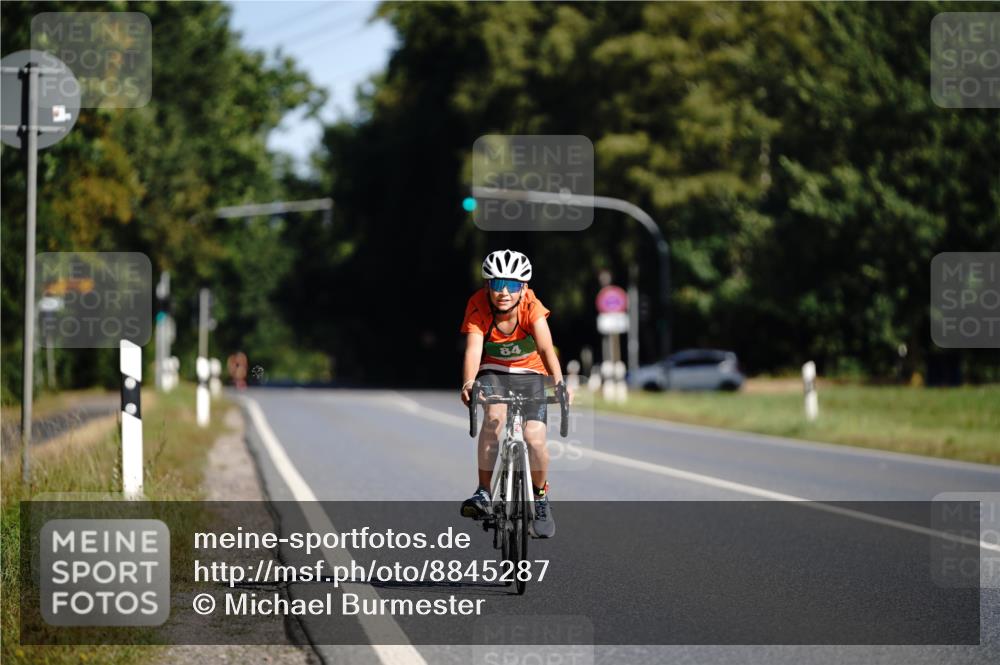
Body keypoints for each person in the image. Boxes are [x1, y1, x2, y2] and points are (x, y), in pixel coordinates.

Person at [459, 249, 570, 538]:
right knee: (494, 417)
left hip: (529, 375)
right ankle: (483, 492)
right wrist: (469, 383)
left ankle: (541, 497)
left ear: (523, 288)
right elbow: (473, 349)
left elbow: (546, 348)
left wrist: (559, 383)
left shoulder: (531, 306)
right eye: (497, 284)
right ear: (488, 286)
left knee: (534, 439)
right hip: (493, 371)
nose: (504, 292)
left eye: (512, 285)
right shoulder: (478, 305)